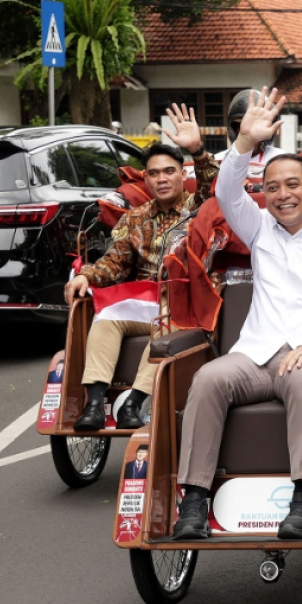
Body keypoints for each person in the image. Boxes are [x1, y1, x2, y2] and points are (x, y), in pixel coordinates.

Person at [173, 87, 302, 540]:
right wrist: (242, 142)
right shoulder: (258, 228)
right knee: (209, 378)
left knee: (301, 376)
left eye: (292, 185)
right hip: (257, 355)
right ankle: (195, 502)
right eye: (272, 187)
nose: (282, 195)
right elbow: (223, 190)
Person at [64, 105, 218, 431]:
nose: (161, 178)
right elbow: (115, 259)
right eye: (153, 173)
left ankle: (134, 402)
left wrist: (197, 150)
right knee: (105, 317)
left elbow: (214, 184)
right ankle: (93, 404)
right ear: (145, 178)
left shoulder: (199, 208)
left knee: (166, 320)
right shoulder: (135, 217)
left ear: (181, 174)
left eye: (169, 171)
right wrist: (85, 275)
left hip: (184, 301)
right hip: (144, 299)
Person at [215, 90, 287, 189]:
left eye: (256, 124)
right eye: (242, 124)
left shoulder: (283, 159)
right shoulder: (217, 162)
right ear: (233, 128)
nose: (249, 130)